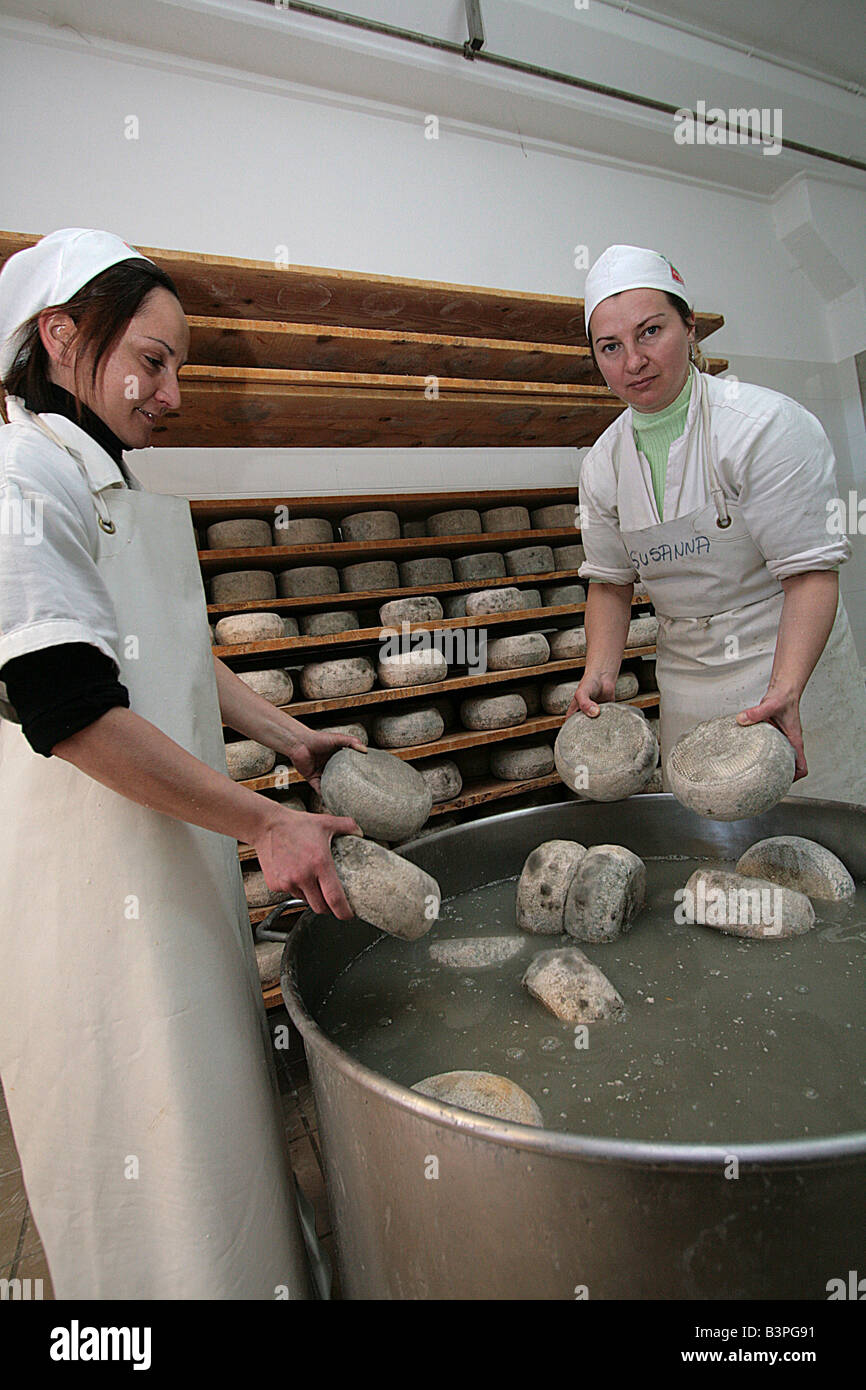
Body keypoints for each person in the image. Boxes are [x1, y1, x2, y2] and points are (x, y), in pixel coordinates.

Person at [0, 228, 367, 1299]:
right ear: (60, 336)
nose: (170, 391)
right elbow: (69, 707)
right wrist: (260, 822)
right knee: (145, 1148)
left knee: (212, 1122)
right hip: (90, 887)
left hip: (171, 851)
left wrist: (290, 738)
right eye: (151, 361)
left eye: (179, 368)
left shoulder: (101, 478)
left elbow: (161, 648)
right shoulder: (24, 476)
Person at [569, 243, 866, 803]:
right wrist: (600, 671)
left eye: (650, 332)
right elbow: (610, 583)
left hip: (790, 660)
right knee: (716, 851)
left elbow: (809, 575)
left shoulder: (763, 427)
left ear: (689, 327)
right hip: (688, 677)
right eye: (611, 347)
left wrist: (786, 690)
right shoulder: (602, 464)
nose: (633, 361)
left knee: (823, 839)